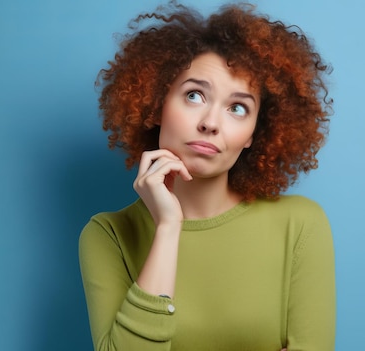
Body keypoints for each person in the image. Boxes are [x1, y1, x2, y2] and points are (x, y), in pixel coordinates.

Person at [78, 2, 335, 350]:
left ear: (252, 136)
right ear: (157, 105)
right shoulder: (108, 236)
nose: (211, 122)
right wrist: (168, 228)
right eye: (194, 95)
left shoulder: (300, 225)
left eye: (237, 108)